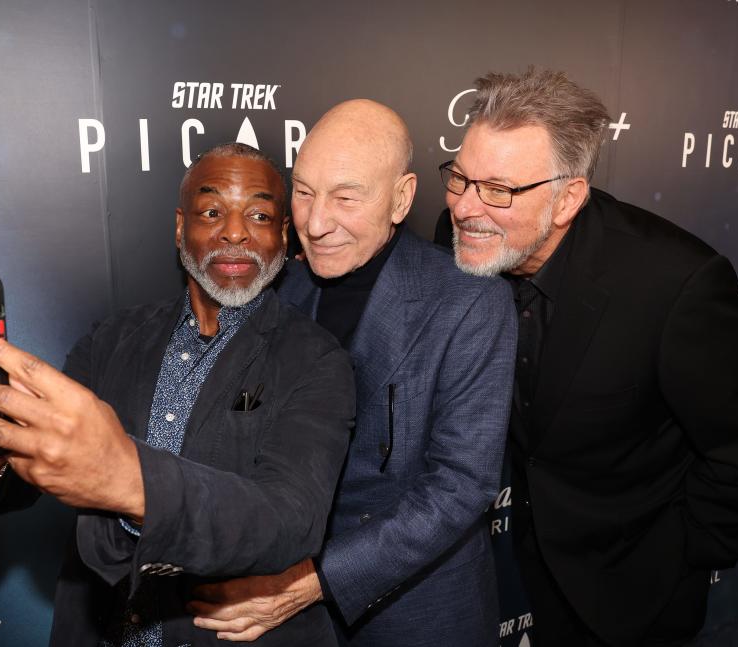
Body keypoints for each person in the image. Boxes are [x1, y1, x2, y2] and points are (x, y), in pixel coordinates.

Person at [0, 143, 355, 647]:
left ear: (282, 234)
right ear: (179, 227)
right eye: (211, 211)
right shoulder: (112, 339)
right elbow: (36, 466)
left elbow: (288, 520)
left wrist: (129, 481)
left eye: (258, 214)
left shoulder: (318, 359)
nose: (235, 232)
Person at [441, 68, 738, 646]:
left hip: (639, 585)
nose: (466, 207)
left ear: (568, 196)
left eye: (498, 188)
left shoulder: (676, 284)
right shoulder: (470, 239)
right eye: (460, 178)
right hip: (530, 558)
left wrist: (680, 559)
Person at [186, 100, 517, 646]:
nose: (316, 224)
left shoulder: (471, 300)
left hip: (416, 612)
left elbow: (459, 486)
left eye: (345, 198)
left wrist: (311, 582)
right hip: (289, 610)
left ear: (402, 198)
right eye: (305, 192)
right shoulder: (279, 289)